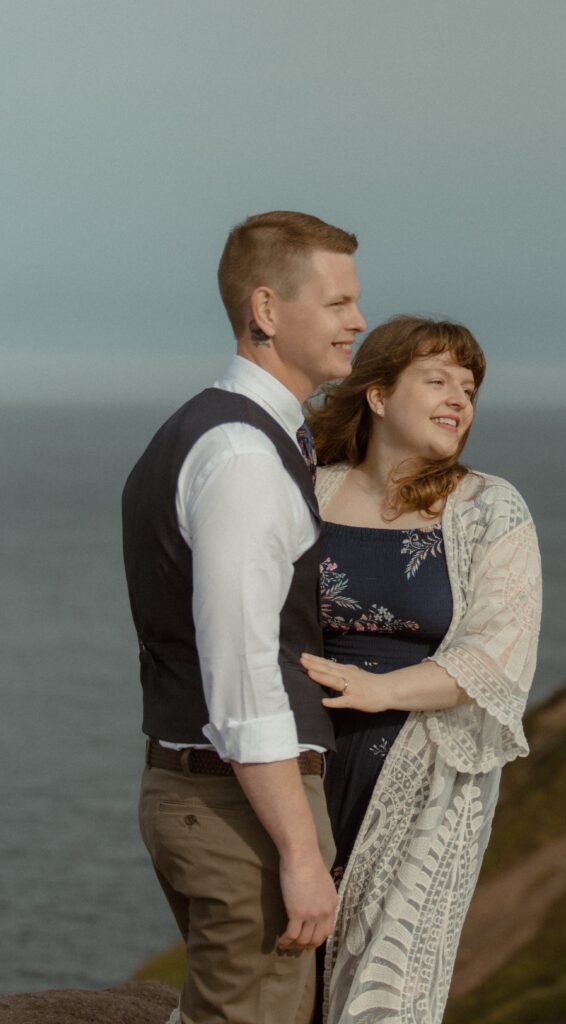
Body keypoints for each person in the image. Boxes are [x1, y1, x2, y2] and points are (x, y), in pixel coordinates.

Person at [121, 210, 366, 1024]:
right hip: (239, 815)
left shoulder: (209, 430)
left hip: (201, 793)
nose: (357, 321)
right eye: (336, 303)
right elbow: (242, 671)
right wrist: (299, 853)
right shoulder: (243, 458)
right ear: (266, 310)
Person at [302, 315, 542, 1024]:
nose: (457, 400)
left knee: (388, 985)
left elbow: (496, 653)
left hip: (426, 774)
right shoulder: (307, 489)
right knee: (278, 968)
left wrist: (381, 689)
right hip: (301, 765)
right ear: (377, 396)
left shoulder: (489, 508)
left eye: (467, 388)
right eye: (436, 380)